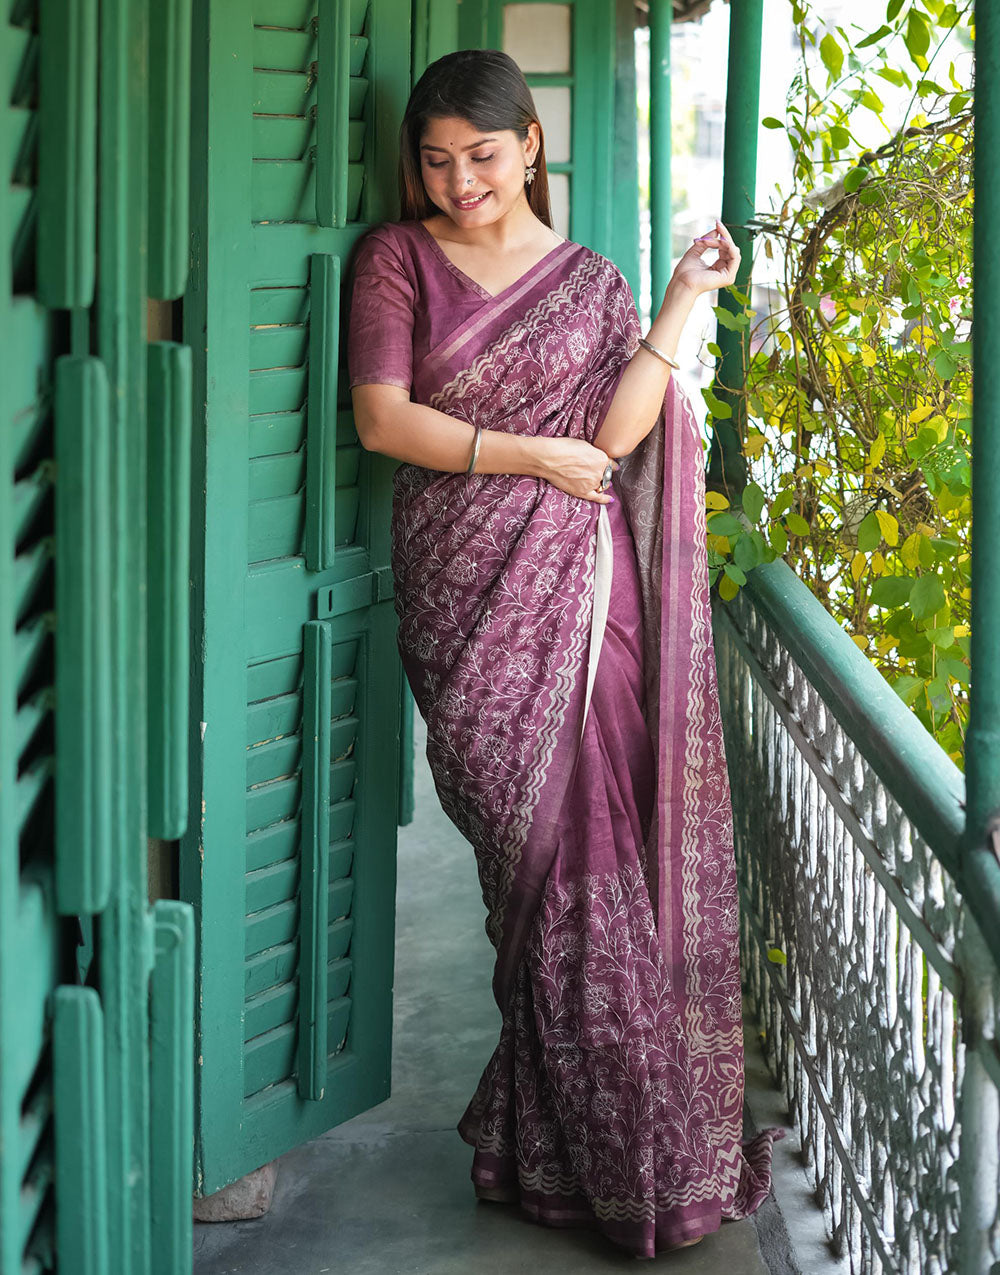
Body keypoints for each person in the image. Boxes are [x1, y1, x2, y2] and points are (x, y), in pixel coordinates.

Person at [346, 47, 783, 1260]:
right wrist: (526, 457)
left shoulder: (589, 281)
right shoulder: (397, 260)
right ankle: (566, 1138)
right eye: (435, 162)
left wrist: (685, 301)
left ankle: (595, 1151)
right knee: (527, 870)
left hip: (590, 608)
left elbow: (615, 429)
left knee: (590, 875)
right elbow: (385, 421)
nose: (458, 182)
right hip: (464, 595)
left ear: (530, 145)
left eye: (481, 156)